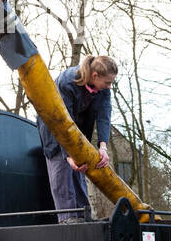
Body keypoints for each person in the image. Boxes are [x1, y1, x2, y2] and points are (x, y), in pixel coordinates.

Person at [37, 55, 117, 223]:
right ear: (95, 75)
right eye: (108, 82)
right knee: (62, 169)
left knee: (80, 168)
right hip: (54, 127)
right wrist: (68, 155)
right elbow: (62, 121)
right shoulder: (67, 82)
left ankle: (83, 215)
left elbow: (104, 116)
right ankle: (68, 217)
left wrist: (103, 147)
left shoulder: (104, 90)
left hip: (78, 131)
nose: (109, 86)